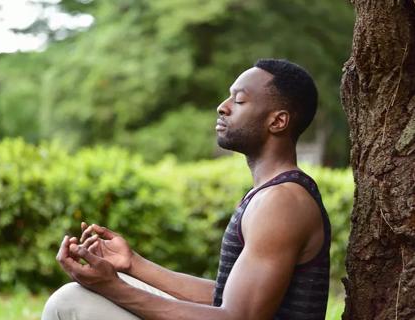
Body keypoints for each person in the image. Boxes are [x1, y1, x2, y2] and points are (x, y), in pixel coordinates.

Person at [42, 58, 331, 320]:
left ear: (278, 121)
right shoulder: (273, 193)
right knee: (103, 289)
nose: (223, 106)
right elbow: (225, 297)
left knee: (70, 302)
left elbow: (238, 317)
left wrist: (113, 287)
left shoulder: (282, 202)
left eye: (239, 101)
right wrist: (132, 265)